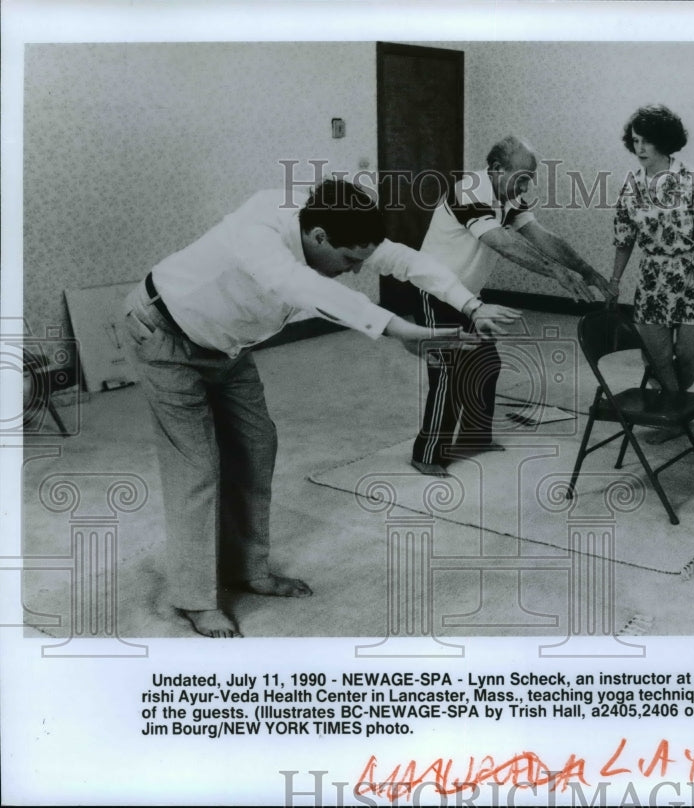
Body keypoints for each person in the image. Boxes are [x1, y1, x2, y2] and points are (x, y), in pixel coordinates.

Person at [121, 177, 519, 638]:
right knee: (198, 467)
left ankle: (248, 571)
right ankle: (195, 600)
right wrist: (396, 329)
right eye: (348, 260)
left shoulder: (329, 222)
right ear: (318, 238)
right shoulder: (261, 231)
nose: (354, 270)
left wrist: (471, 305)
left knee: (256, 444)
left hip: (227, 345)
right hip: (163, 333)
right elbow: (304, 287)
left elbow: (407, 261)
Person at [408, 135, 613, 476]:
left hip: (469, 296)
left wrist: (585, 270)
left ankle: (475, 436)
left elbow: (542, 237)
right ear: (496, 169)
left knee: (486, 362)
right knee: (446, 373)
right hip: (435, 292)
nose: (527, 184)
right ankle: (425, 455)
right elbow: (504, 245)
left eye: (531, 177)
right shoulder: (469, 191)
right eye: (522, 176)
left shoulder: (508, 195)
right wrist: (556, 274)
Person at [608, 104, 694, 442]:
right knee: (657, 356)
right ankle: (675, 416)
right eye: (635, 141)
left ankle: (675, 408)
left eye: (647, 141)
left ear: (664, 142)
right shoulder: (631, 186)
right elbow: (623, 240)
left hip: (691, 276)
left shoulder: (691, 180)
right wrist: (614, 281)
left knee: (687, 358)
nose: (640, 148)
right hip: (651, 278)